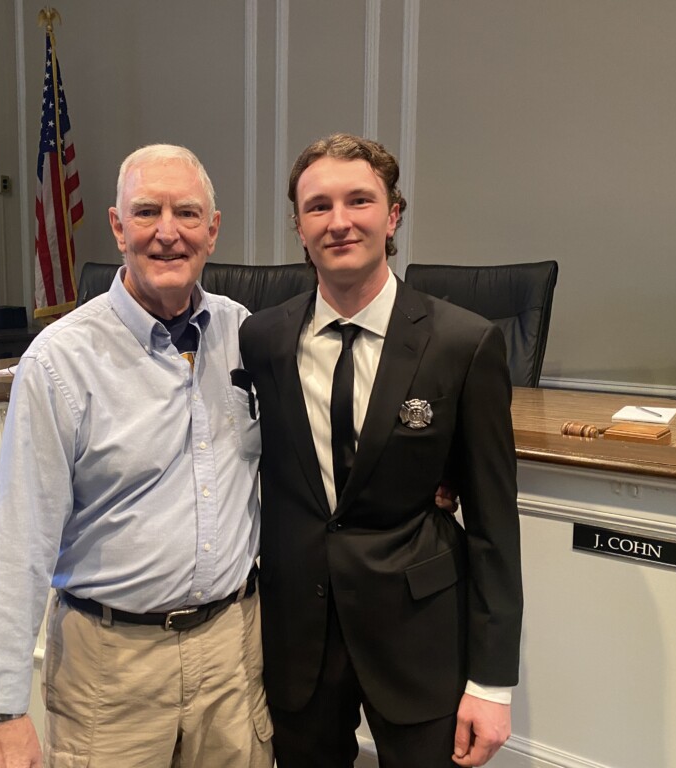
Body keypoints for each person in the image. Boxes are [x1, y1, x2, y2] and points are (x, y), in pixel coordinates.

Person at [0, 144, 273, 768]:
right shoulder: (60, 362)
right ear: (116, 226)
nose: (168, 233)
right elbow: (19, 541)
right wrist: (3, 711)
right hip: (111, 667)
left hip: (232, 653)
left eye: (187, 214)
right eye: (146, 212)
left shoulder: (245, 336)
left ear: (212, 231)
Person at [239, 133, 523, 767]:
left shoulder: (463, 343)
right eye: (318, 206)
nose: (339, 222)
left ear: (392, 214)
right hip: (297, 637)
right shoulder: (260, 339)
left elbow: (494, 526)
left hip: (418, 634)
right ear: (298, 225)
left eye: (359, 200)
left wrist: (493, 681)